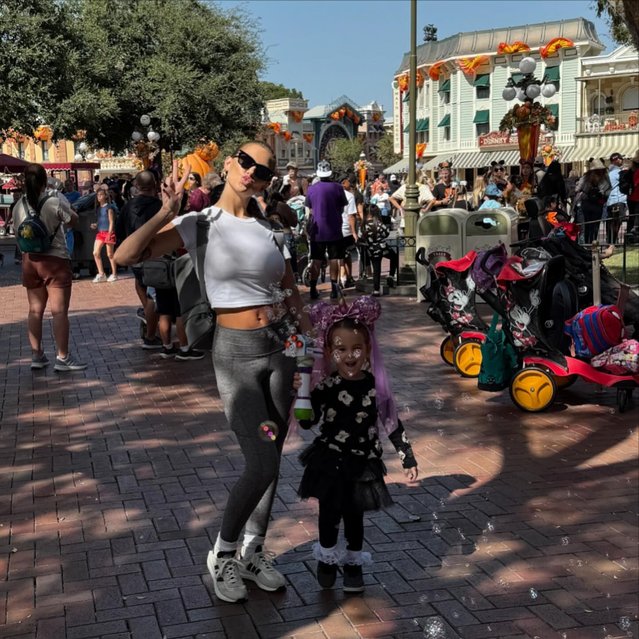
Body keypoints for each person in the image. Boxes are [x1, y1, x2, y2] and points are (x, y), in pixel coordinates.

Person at [114, 141, 312, 604]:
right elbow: (126, 257)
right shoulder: (199, 224)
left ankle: (253, 551)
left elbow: (291, 292)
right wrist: (167, 209)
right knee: (260, 460)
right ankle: (223, 553)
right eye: (245, 162)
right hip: (236, 352)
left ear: (267, 180)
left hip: (280, 348)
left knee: (274, 454)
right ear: (228, 163)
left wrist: (307, 353)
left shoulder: (269, 228)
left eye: (262, 170)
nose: (251, 173)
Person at [295, 297, 418, 592]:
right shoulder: (327, 386)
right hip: (330, 460)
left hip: (362, 463)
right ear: (329, 351)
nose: (349, 355)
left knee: (354, 516)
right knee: (328, 514)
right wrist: (302, 390)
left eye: (356, 348)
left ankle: (352, 566)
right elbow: (307, 422)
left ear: (368, 350)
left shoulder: (374, 388)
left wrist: (407, 456)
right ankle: (326, 558)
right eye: (340, 349)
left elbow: (391, 422)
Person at [14, 163, 87, 372]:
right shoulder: (53, 201)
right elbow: (74, 221)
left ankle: (37, 355)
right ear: (45, 181)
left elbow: (17, 233)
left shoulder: (19, 205)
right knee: (59, 312)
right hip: (55, 261)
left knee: (35, 311)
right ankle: (62, 357)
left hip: (30, 261)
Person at [119, 170, 163, 348]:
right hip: (154, 255)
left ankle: (148, 316)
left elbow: (120, 233)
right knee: (153, 295)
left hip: (134, 256)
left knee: (140, 284)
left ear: (136, 186)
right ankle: (151, 334)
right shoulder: (159, 206)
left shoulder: (128, 206)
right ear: (154, 186)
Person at [305, 160, 348, 299]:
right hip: (334, 228)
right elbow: (342, 207)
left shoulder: (311, 189)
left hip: (317, 231)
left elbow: (310, 208)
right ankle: (334, 287)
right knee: (334, 258)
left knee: (316, 259)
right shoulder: (338, 187)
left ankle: (312, 287)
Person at [362, 204, 398, 296]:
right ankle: (391, 275)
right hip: (383, 248)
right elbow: (386, 233)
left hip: (371, 250)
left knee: (376, 269)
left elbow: (360, 237)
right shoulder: (379, 224)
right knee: (394, 256)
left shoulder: (364, 225)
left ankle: (376, 289)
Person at [575, 159, 611, 245]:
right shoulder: (605, 177)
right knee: (595, 225)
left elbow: (577, 189)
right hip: (598, 203)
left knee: (588, 224)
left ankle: (588, 243)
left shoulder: (586, 177)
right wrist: (602, 192)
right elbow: (609, 190)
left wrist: (585, 190)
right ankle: (593, 242)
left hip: (586, 203)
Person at [90, 186, 119, 282]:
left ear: (105, 196)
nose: (99, 197)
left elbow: (111, 222)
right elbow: (101, 220)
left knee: (110, 254)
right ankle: (101, 273)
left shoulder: (109, 208)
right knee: (95, 253)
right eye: (98, 195)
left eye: (101, 195)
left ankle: (114, 274)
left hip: (108, 232)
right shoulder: (98, 209)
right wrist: (96, 225)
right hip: (100, 233)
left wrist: (110, 234)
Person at [340, 178, 359, 288]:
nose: (350, 183)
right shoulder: (349, 196)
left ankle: (342, 279)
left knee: (337, 256)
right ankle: (345, 278)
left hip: (333, 229)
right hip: (345, 230)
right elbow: (351, 215)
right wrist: (354, 232)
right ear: (343, 183)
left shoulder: (331, 194)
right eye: (347, 181)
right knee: (345, 254)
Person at [604, 152, 627, 244]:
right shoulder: (618, 172)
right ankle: (613, 242)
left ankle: (610, 241)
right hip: (618, 200)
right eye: (621, 159)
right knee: (617, 222)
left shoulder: (607, 173)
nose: (622, 161)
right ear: (617, 160)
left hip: (609, 201)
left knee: (610, 222)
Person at [625, 150, 639, 241]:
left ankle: (630, 237)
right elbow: (636, 183)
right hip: (637, 197)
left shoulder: (631, 170)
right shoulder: (637, 171)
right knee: (636, 218)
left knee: (632, 217)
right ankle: (633, 236)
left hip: (631, 197)